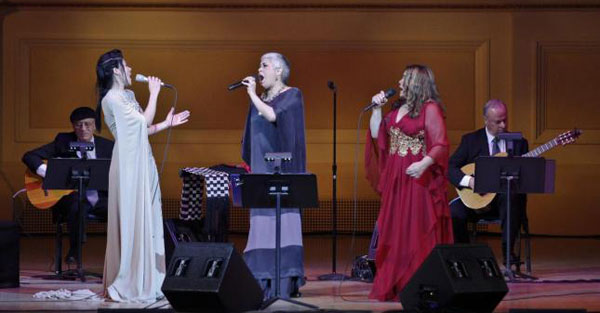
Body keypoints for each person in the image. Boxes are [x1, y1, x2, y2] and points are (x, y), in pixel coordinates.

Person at [96, 49, 190, 302]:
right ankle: (130, 278)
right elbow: (140, 122)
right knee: (132, 218)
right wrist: (155, 93)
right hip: (128, 163)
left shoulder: (127, 95)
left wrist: (166, 124)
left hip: (141, 158)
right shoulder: (112, 98)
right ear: (115, 69)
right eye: (126, 66)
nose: (130, 69)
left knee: (147, 216)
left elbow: (142, 129)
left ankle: (147, 276)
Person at [365, 64, 453, 301]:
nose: (400, 82)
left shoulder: (430, 108)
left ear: (416, 83)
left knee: (415, 229)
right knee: (394, 231)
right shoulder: (397, 109)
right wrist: (376, 110)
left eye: (404, 79)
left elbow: (440, 144)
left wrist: (423, 164)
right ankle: (397, 282)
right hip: (396, 178)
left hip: (417, 179)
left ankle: (418, 282)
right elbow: (377, 136)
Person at [240, 52, 306, 299]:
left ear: (278, 71)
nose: (259, 69)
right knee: (261, 225)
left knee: (283, 223)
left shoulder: (292, 95)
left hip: (281, 173)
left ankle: (284, 280)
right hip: (260, 172)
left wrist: (252, 95)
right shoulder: (258, 100)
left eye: (264, 65)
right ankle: (260, 281)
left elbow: (273, 115)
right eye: (259, 64)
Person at [22, 107, 114, 264]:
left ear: (94, 125)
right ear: (73, 126)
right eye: (78, 125)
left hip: (100, 199)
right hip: (71, 200)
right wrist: (48, 173)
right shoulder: (63, 141)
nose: (83, 129)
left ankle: (123, 260)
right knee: (77, 204)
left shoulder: (108, 146)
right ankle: (75, 250)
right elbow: (29, 156)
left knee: (124, 209)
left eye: (87, 124)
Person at [448, 99, 528, 264]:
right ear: (486, 120)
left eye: (505, 119)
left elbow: (526, 177)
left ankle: (508, 255)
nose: (503, 125)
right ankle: (466, 258)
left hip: (504, 203)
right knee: (453, 211)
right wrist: (469, 181)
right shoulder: (471, 140)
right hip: (477, 199)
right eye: (498, 121)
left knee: (511, 198)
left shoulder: (519, 143)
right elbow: (450, 167)